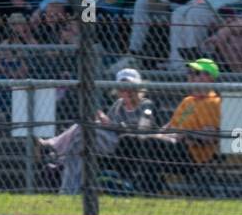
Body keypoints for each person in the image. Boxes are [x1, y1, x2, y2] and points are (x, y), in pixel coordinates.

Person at [41, 67, 157, 195]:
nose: (127, 91)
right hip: (108, 139)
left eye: (131, 87)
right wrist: (104, 121)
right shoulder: (118, 104)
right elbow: (109, 126)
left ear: (138, 87)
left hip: (125, 143)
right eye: (122, 87)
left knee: (83, 130)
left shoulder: (146, 104)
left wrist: (111, 124)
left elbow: (142, 130)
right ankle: (67, 191)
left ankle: (55, 150)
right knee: (79, 141)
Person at [114, 57, 220, 193]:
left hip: (191, 155)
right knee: (128, 139)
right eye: (190, 72)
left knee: (150, 143)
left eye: (196, 73)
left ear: (209, 78)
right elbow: (170, 125)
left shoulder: (213, 102)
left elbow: (209, 136)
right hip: (172, 143)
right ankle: (124, 184)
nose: (191, 76)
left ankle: (149, 189)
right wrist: (158, 133)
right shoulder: (188, 100)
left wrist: (185, 134)